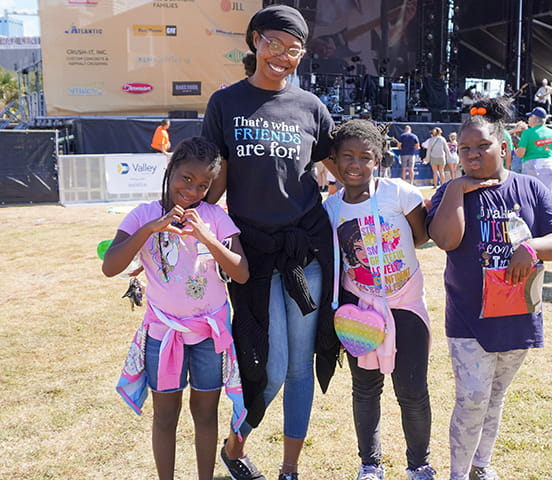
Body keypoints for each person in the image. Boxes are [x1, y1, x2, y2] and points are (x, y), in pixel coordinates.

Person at [200, 6, 341, 480]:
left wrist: (390, 201)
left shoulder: (311, 107)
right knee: (272, 365)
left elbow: (343, 171)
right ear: (255, 40)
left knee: (300, 366)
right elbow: (213, 183)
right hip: (252, 255)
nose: (282, 55)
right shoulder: (225, 103)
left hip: (306, 252)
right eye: (274, 43)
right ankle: (234, 446)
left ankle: (289, 469)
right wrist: (180, 223)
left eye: (293, 49)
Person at [426, 97, 552, 480]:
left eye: (482, 146)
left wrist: (531, 248)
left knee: (494, 396)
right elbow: (445, 240)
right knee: (472, 398)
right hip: (468, 316)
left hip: (517, 314)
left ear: (504, 146)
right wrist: (458, 188)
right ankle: (458, 474)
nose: (472, 154)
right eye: (464, 148)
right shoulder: (450, 191)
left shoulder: (530, 188)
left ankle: (480, 465)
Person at [102, 136, 250, 480]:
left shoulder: (215, 217)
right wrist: (149, 230)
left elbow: (241, 273)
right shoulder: (144, 214)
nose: (192, 190)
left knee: (206, 413)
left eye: (203, 185)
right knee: (166, 415)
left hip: (209, 336)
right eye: (186, 179)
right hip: (163, 334)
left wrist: (207, 237)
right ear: (171, 169)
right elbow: (110, 266)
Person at [323, 119, 435, 480]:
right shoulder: (330, 208)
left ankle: (419, 464)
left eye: (365, 157)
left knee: (412, 390)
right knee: (365, 388)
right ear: (334, 159)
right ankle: (370, 464)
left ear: (379, 159)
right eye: (347, 156)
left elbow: (420, 236)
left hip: (406, 305)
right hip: (360, 310)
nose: (355, 164)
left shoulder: (399, 193)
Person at [515, 107, 552, 200]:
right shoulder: (551, 132)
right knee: (546, 197)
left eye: (530, 117)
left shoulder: (527, 133)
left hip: (531, 166)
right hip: (548, 166)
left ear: (535, 119)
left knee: (530, 196)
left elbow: (520, 154)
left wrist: (516, 150)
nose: (528, 119)